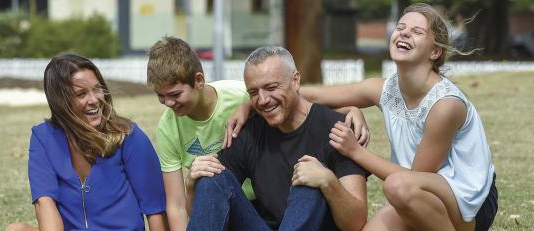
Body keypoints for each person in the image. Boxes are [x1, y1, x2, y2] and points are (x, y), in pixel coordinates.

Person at [228, 3, 498, 230]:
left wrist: (355, 152)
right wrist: (250, 104)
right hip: (416, 196)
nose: (404, 34)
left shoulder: (445, 105)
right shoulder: (384, 88)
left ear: (435, 51)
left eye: (416, 31)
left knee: (397, 187)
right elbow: (312, 96)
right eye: (401, 28)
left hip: (468, 204)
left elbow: (416, 177)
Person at [146, 36, 370, 230]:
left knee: (308, 181)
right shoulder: (249, 131)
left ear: (296, 80)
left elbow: (356, 223)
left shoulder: (338, 130)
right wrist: (193, 183)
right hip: (259, 223)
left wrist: (327, 181)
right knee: (210, 177)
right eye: (253, 92)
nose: (262, 100)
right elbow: (210, 198)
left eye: (271, 88)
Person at [7, 54, 168, 231]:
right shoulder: (44, 137)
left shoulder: (129, 136)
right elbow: (44, 203)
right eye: (81, 94)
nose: (94, 100)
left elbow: (155, 210)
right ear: (60, 102)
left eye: (97, 89)